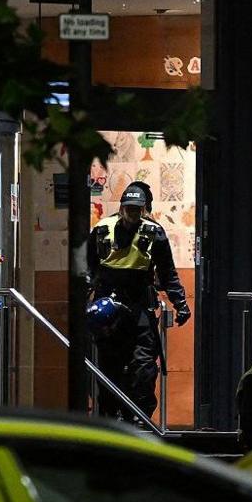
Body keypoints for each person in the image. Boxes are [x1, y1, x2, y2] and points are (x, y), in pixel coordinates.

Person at [86, 180, 189, 423]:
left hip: (139, 307)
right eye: (129, 208)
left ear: (144, 209)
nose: (133, 213)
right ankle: (110, 417)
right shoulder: (102, 230)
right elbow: (89, 270)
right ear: (121, 207)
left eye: (137, 209)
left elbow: (167, 272)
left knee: (143, 368)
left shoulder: (154, 233)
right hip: (107, 309)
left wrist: (180, 303)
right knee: (110, 367)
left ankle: (139, 416)